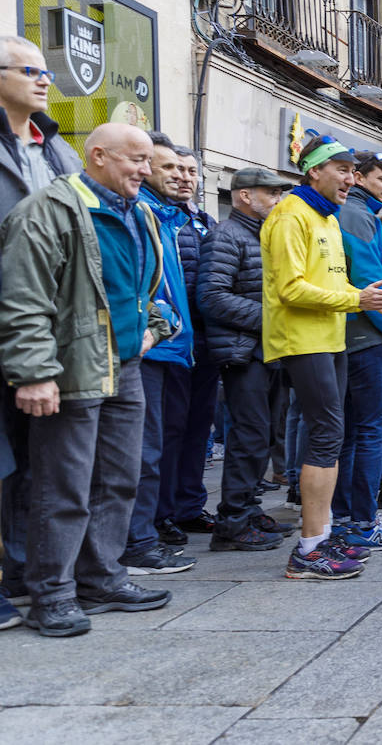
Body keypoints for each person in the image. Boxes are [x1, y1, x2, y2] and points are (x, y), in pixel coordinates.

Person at [0, 124, 175, 635]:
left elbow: (146, 290)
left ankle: (102, 577)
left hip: (127, 366)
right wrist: (34, 373)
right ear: (98, 156)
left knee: (120, 478)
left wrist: (153, 329)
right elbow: (22, 299)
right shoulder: (49, 209)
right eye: (136, 160)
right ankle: (51, 593)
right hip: (72, 369)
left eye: (148, 161)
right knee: (63, 486)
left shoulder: (138, 210)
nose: (146, 170)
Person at [262, 134, 382, 579]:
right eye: (341, 170)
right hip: (302, 341)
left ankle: (324, 536)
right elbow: (290, 288)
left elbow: (336, 284)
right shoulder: (291, 215)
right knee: (326, 437)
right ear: (314, 171)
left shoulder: (325, 216)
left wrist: (370, 299)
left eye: (351, 171)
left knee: (333, 436)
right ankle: (310, 548)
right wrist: (359, 301)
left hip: (331, 339)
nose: (349, 179)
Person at [0, 36, 83, 622]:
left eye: (46, 71)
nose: (44, 79)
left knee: (38, 461)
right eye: (29, 70)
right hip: (11, 315)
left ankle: (31, 574)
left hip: (50, 325)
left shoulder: (56, 149)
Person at [198, 166, 294, 551]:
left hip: (267, 350)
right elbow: (212, 297)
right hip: (243, 352)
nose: (277, 200)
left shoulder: (263, 234)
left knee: (264, 435)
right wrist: (272, 319)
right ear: (244, 196)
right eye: (270, 193)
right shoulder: (226, 235)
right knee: (249, 437)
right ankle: (232, 523)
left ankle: (249, 511)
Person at [120, 132, 198, 575]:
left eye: (184, 169)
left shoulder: (169, 219)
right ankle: (136, 543)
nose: (176, 175)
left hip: (174, 351)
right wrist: (158, 327)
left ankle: (150, 531)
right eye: (165, 166)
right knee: (143, 452)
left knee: (162, 447)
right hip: (151, 351)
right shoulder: (143, 214)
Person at [334, 150, 382, 551]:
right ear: (360, 178)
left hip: (349, 336)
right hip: (366, 337)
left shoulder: (355, 215)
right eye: (381, 179)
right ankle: (362, 520)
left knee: (347, 432)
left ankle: (344, 517)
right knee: (370, 430)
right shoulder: (359, 217)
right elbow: (373, 283)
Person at [157, 147, 218, 545]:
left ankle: (190, 505)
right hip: (170, 343)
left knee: (199, 428)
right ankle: (163, 514)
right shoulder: (157, 218)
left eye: (191, 170)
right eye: (175, 169)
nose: (184, 176)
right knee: (169, 430)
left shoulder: (204, 221)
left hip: (206, 342)